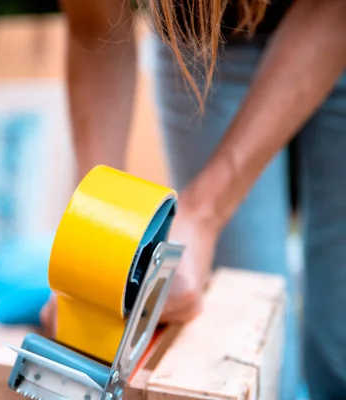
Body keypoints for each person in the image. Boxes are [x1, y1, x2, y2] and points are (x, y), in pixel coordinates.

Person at [38, 1, 346, 399]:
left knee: (340, 337)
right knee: (246, 338)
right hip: (205, 47)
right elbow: (94, 31)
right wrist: (91, 244)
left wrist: (204, 212)